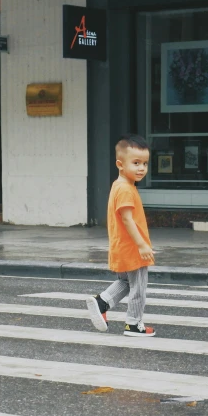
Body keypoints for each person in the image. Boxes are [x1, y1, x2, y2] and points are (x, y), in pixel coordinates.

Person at [86, 134, 156, 337]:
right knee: (139, 287)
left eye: (144, 163)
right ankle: (134, 324)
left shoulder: (119, 186)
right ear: (120, 164)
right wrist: (142, 245)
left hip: (121, 246)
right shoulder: (126, 189)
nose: (141, 168)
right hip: (133, 247)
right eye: (136, 163)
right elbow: (127, 220)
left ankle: (102, 302)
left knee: (126, 282)